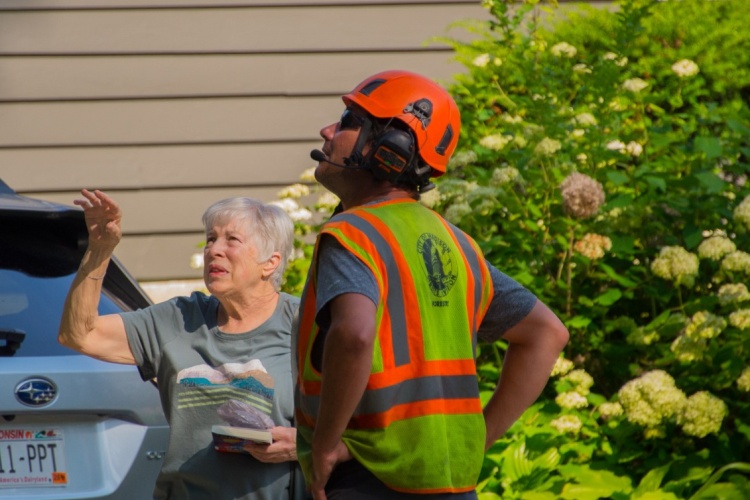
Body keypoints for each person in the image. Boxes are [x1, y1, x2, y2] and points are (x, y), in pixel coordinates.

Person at [294, 70, 570, 499]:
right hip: (454, 485)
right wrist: (478, 438)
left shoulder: (353, 234)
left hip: (368, 479)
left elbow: (354, 334)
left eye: (349, 121)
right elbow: (548, 334)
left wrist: (326, 446)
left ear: (389, 149)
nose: (327, 130)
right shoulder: (459, 246)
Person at [58, 191, 308, 499]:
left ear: (269, 263)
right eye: (210, 239)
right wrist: (100, 249)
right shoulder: (178, 319)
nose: (214, 250)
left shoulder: (304, 322)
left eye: (231, 240)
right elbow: (78, 333)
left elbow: (368, 424)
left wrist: (306, 445)